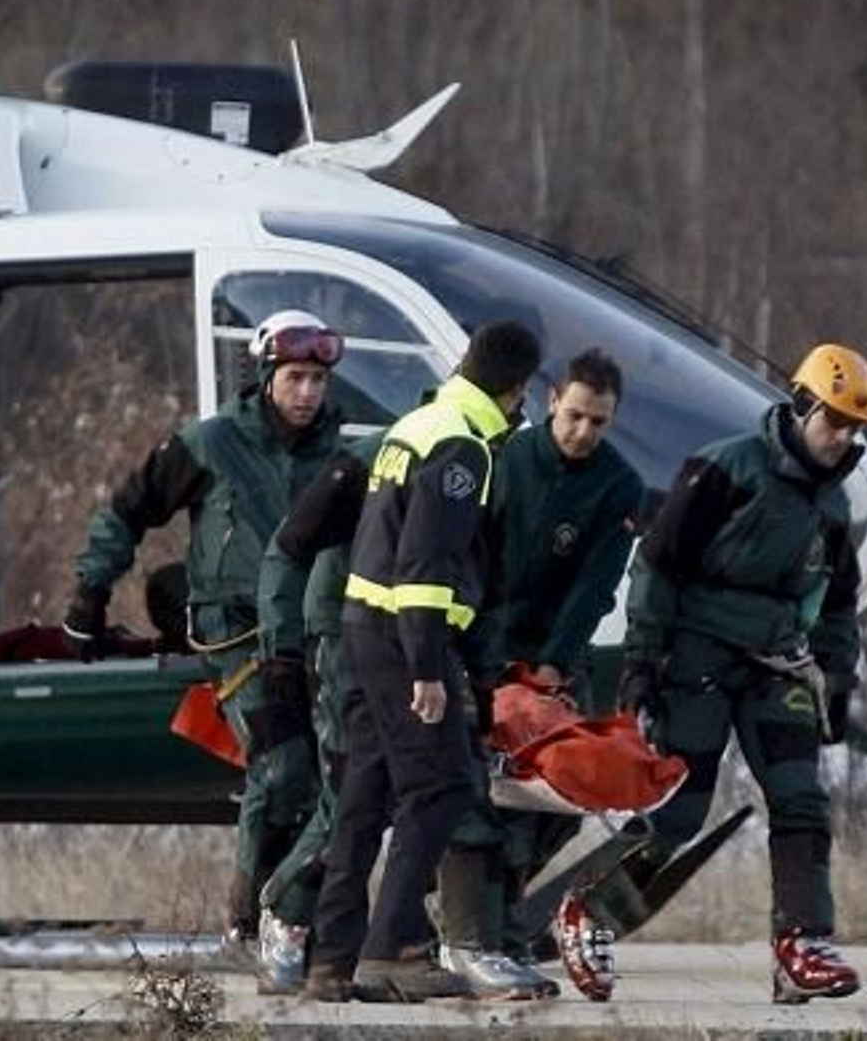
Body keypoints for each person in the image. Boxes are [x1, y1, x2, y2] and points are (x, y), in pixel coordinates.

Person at [63, 309, 344, 944]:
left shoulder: (342, 455)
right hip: (237, 633)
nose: (308, 394)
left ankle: (298, 919)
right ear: (268, 375)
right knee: (280, 772)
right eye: (296, 377)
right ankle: (246, 924)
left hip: (312, 633)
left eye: (318, 382)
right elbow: (130, 510)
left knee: (336, 782)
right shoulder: (213, 443)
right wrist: (90, 591)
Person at [617, 343, 867, 1005]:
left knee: (801, 799)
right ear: (801, 405)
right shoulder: (725, 469)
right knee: (679, 810)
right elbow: (659, 565)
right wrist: (643, 665)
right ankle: (588, 910)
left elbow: (836, 606)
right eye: (833, 421)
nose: (841, 437)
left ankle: (802, 943)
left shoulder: (834, 506)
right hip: (699, 656)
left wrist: (838, 681)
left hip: (776, 663)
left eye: (853, 427)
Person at [306, 320, 541, 1004]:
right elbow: (424, 562)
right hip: (401, 634)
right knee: (441, 787)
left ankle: (332, 958)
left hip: (363, 625)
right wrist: (428, 669)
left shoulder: (418, 423)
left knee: (365, 794)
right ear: (516, 388)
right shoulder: (463, 446)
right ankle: (396, 947)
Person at [438, 348, 645, 1002]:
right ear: (553, 399)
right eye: (576, 415)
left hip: (556, 654)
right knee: (478, 797)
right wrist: (484, 654)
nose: (583, 431)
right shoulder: (506, 456)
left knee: (550, 802)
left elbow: (596, 586)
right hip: (484, 644)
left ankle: (502, 925)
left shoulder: (618, 485)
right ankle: (470, 930)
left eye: (599, 422)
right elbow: (473, 553)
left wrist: (554, 665)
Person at [253, 431, 381, 994]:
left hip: (409, 644)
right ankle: (284, 906)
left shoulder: (489, 460)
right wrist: (280, 647)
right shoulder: (373, 457)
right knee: (349, 793)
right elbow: (290, 547)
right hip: (341, 636)